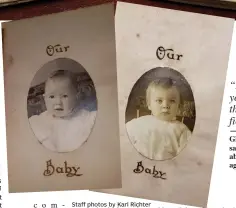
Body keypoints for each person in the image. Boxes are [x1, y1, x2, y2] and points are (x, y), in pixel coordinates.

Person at [29, 70, 96, 153]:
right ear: (44, 98)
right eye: (52, 96)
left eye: (64, 96)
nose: (58, 102)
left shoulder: (87, 119)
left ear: (77, 97)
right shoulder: (37, 122)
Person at [126, 78, 191, 160]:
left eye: (172, 101)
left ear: (179, 106)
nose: (165, 105)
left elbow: (186, 156)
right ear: (149, 104)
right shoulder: (137, 123)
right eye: (159, 101)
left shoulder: (181, 130)